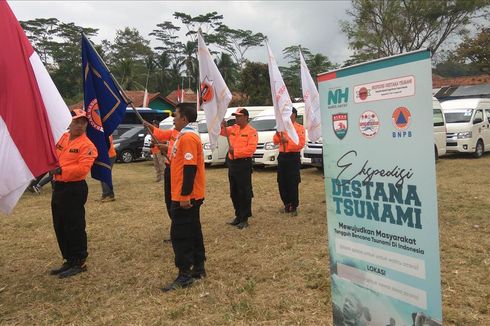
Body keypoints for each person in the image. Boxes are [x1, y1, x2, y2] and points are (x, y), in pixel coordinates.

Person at [161, 103, 206, 292]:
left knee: (180, 235)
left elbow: (189, 168)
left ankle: (184, 275)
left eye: (176, 115)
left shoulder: (187, 137)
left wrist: (185, 195)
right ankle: (199, 267)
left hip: (186, 196)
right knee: (194, 230)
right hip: (188, 194)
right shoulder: (184, 136)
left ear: (184, 119)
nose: (173, 119)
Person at [49, 109, 98, 278]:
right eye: (77, 121)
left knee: (74, 225)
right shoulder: (62, 138)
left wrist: (61, 170)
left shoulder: (88, 146)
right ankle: (68, 259)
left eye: (83, 122)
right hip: (59, 187)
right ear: (69, 122)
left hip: (74, 188)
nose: (80, 125)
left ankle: (79, 261)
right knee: (60, 224)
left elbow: (82, 169)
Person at [220, 108, 258, 229]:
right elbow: (222, 132)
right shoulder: (234, 129)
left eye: (239, 116)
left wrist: (235, 151)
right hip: (233, 163)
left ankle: (245, 218)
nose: (237, 118)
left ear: (246, 117)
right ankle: (238, 215)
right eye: (236, 116)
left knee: (244, 191)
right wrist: (222, 126)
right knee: (234, 191)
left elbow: (251, 149)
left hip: (243, 164)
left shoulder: (252, 131)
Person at [273, 107, 306, 216]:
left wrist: (287, 142)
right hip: (282, 156)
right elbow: (275, 141)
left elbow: (300, 144)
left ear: (294, 115)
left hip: (293, 157)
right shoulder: (282, 128)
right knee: (282, 182)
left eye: (290, 114)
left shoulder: (299, 128)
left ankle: (294, 205)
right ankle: (286, 204)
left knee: (293, 182)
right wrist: (278, 135)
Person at [100, 135, 116, 202]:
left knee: (105, 176)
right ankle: (105, 194)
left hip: (109, 156)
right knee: (102, 176)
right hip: (105, 156)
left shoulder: (106, 132)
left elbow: (107, 145)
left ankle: (109, 195)